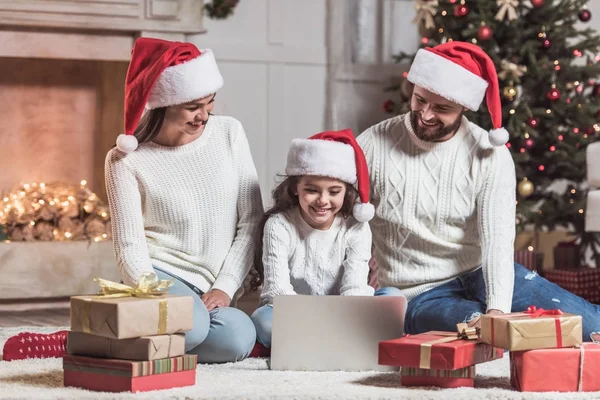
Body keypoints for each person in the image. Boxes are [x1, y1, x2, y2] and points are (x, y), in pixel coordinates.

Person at [357, 41, 600, 341]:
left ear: (463, 106)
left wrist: (498, 308)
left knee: (588, 327)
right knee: (475, 329)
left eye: (442, 108)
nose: (426, 114)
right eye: (420, 100)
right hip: (418, 292)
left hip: (479, 273)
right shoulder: (372, 144)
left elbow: (497, 238)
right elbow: (344, 218)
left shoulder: (489, 152)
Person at [104, 37, 264, 362]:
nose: (203, 116)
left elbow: (252, 220)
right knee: (191, 329)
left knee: (238, 338)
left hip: (209, 286)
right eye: (192, 107)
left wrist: (226, 286)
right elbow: (129, 247)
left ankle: (115, 333)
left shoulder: (229, 133)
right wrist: (150, 290)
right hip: (160, 274)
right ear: (164, 103)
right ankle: (102, 336)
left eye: (210, 103)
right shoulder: (125, 160)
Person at [249, 129, 403, 351]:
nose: (323, 200)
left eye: (334, 192)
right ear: (295, 188)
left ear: (346, 192)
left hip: (344, 311)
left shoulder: (356, 227)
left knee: (393, 298)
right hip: (290, 313)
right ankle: (341, 342)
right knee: (264, 322)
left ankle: (312, 343)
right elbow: (278, 292)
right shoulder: (279, 225)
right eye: (312, 190)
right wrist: (319, 323)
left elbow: (354, 288)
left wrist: (340, 318)